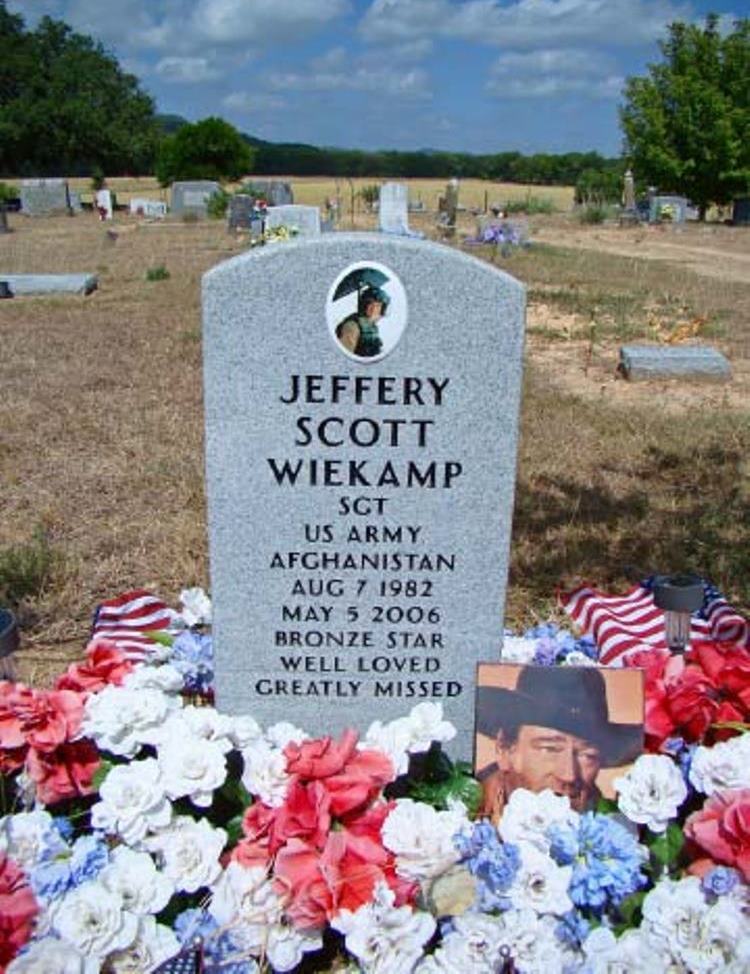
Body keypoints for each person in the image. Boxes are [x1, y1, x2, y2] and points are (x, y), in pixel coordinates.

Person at [476, 665, 641, 821]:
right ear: (505, 750)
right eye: (550, 749)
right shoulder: (459, 818)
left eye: (588, 755)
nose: (568, 775)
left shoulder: (615, 831)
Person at [336, 286, 389, 358]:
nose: (374, 309)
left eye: (378, 305)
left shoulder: (371, 326)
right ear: (364, 305)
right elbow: (345, 357)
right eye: (370, 304)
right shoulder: (352, 326)